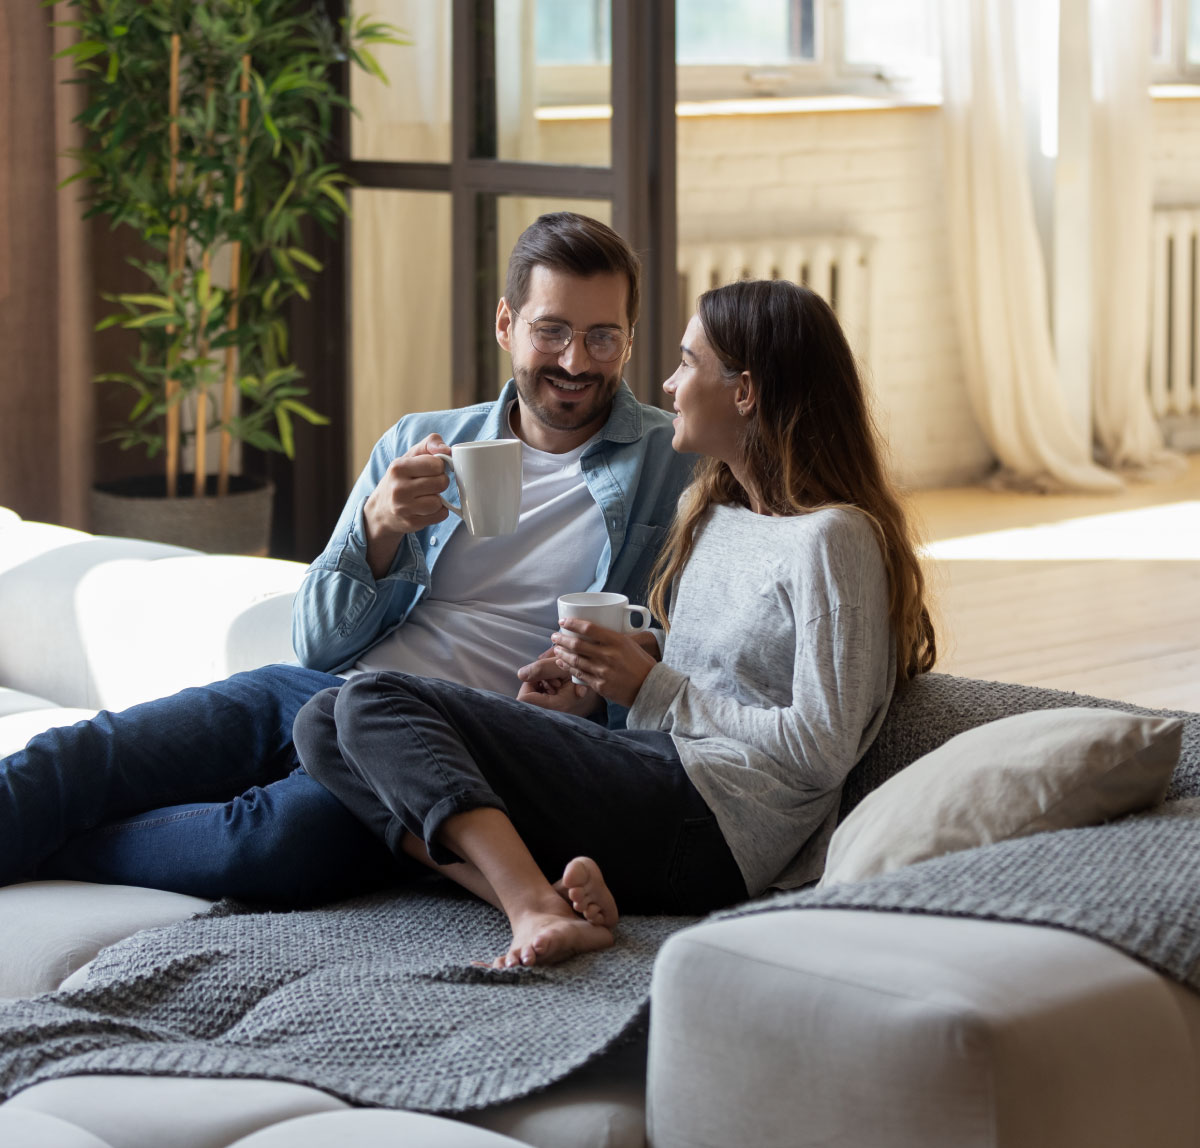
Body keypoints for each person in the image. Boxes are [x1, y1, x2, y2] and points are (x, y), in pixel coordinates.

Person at [0, 212, 695, 905]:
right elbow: (315, 643)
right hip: (317, 697)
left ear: (630, 340)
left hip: (441, 749)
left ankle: (48, 848)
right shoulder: (422, 442)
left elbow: (700, 651)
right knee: (85, 756)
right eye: (553, 331)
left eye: (603, 336)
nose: (576, 361)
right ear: (507, 325)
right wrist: (378, 527)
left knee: (271, 843)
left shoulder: (678, 466)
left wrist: (597, 699)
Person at [291, 278, 938, 968]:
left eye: (688, 363)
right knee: (322, 724)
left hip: (721, 824)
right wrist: (602, 676)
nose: (666, 383)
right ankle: (541, 897)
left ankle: (530, 906)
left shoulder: (833, 539)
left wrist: (652, 686)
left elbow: (821, 747)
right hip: (655, 781)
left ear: (744, 391)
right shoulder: (716, 514)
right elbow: (723, 669)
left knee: (373, 698)